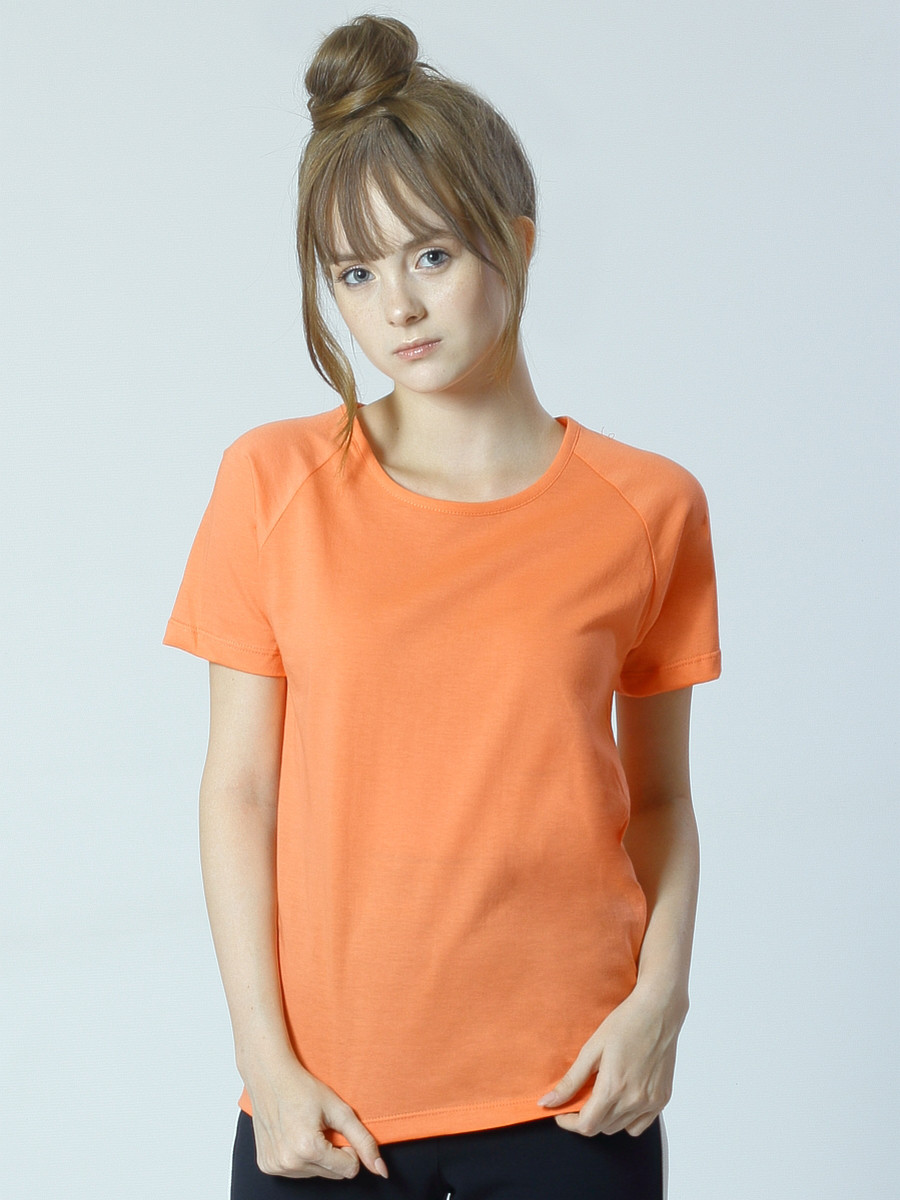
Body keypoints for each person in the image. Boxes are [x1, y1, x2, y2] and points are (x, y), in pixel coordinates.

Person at [163, 13, 722, 1199]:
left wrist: (659, 1002)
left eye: (431, 256)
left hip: (574, 1094)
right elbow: (239, 790)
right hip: (328, 1109)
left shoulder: (647, 507)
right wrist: (265, 1063)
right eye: (355, 274)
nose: (396, 309)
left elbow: (663, 799)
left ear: (515, 243)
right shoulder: (272, 482)